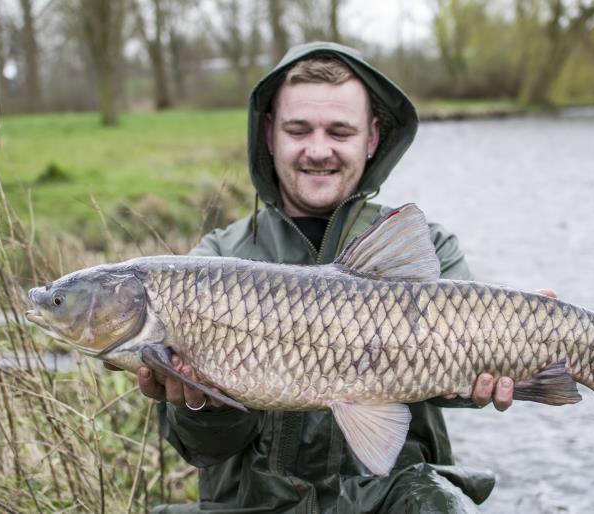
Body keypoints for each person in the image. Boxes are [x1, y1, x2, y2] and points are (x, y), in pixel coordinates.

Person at [119, 42, 519, 513]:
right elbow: (203, 450)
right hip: (254, 505)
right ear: (270, 133)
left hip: (392, 497)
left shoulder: (425, 247)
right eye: (299, 129)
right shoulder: (215, 260)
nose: (318, 149)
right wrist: (202, 404)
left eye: (339, 131)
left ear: (371, 138)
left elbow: (461, 383)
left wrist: (487, 379)